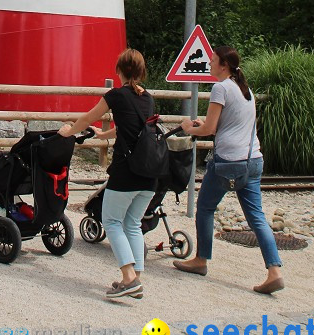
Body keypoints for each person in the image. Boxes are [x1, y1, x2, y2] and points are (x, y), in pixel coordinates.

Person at [173, 45, 284, 294]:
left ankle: (201, 260)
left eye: (212, 61)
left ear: (224, 65)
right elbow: (231, 123)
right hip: (253, 159)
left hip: (228, 162)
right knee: (257, 217)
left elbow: (210, 129)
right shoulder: (245, 90)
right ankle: (274, 271)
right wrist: (206, 123)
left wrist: (188, 127)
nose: (209, 64)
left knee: (205, 208)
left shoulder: (220, 87)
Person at [58, 48, 158, 299]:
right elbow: (135, 128)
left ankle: (127, 277)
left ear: (119, 70)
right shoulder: (148, 98)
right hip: (150, 174)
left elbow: (89, 117)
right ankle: (136, 279)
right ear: (142, 71)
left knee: (111, 221)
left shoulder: (116, 95)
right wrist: (104, 135)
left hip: (127, 171)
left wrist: (68, 132)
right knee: (133, 224)